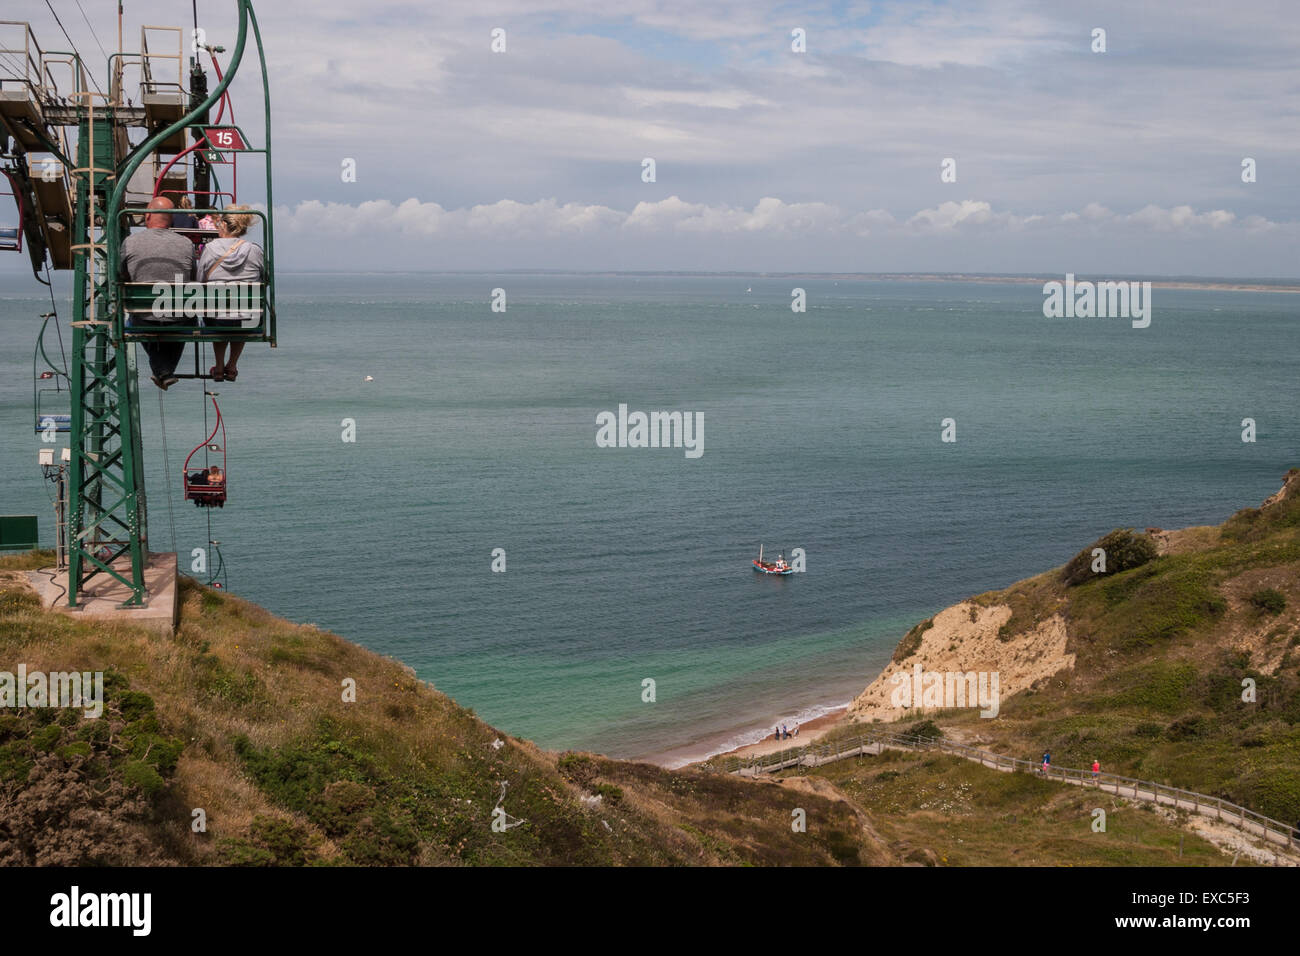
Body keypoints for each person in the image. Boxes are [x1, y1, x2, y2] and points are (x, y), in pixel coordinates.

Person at [120, 196, 194, 389]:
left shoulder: (130, 242)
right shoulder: (186, 244)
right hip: (178, 316)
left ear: (148, 216)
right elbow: (191, 277)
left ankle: (162, 370)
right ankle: (164, 371)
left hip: (144, 318)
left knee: (139, 320)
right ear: (172, 220)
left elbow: (120, 274)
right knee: (185, 319)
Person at [197, 204, 264, 382]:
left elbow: (200, 281)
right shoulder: (255, 250)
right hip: (249, 318)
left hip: (216, 318)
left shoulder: (210, 249)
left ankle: (219, 366)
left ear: (224, 225)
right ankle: (232, 364)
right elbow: (265, 279)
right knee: (241, 313)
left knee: (218, 312)